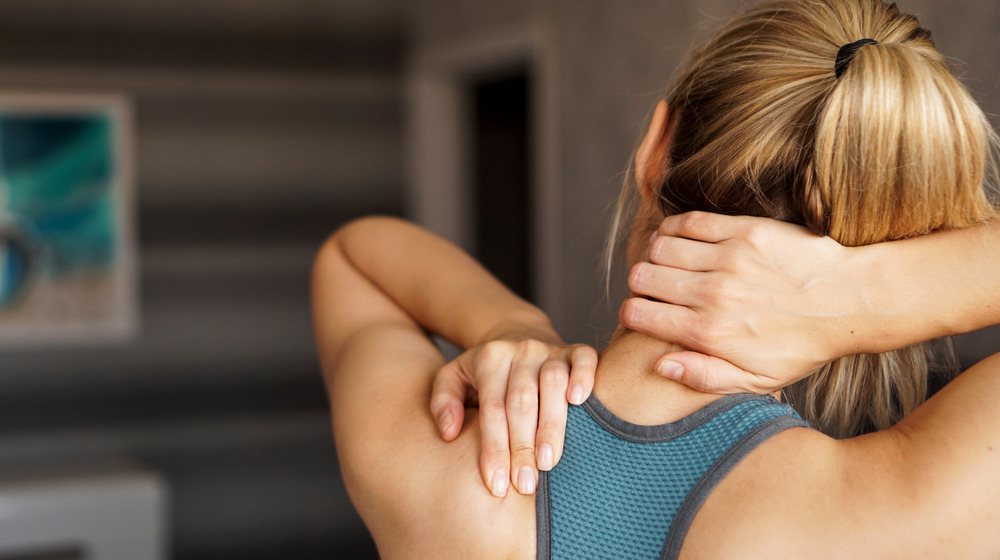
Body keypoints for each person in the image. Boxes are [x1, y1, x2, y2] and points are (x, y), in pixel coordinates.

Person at [312, 0, 1000, 558]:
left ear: (655, 148)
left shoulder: (445, 471)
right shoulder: (892, 515)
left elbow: (353, 256)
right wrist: (867, 293)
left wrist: (507, 325)